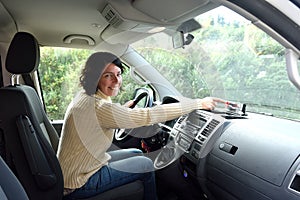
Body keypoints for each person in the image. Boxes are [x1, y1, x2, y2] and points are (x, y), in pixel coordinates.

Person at [56, 52, 224, 200]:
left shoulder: (85, 96)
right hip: (78, 183)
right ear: (95, 76)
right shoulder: (100, 108)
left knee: (137, 152)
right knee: (146, 165)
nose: (116, 81)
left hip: (73, 172)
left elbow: (103, 117)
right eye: (108, 75)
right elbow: (149, 115)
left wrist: (122, 110)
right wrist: (197, 103)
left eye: (118, 74)